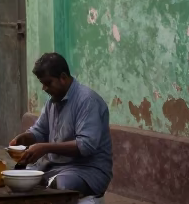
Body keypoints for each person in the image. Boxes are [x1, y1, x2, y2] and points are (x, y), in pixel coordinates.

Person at [9, 52, 112, 196]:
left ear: (63, 78)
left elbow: (86, 145)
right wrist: (24, 138)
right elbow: (40, 132)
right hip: (54, 167)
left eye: (48, 83)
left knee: (60, 184)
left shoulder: (87, 101)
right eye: (42, 84)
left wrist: (44, 148)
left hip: (87, 170)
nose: (44, 89)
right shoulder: (53, 102)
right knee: (14, 177)